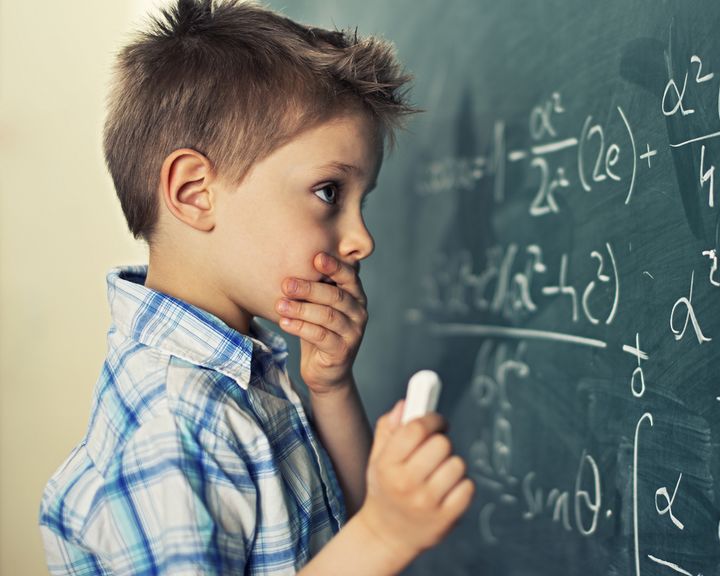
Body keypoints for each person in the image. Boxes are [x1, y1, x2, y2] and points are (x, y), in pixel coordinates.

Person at [37, 0, 474, 573]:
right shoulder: (173, 429)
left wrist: (330, 388)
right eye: (328, 192)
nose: (361, 240)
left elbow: (343, 533)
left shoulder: (239, 371)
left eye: (360, 203)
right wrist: (385, 534)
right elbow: (367, 540)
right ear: (195, 193)